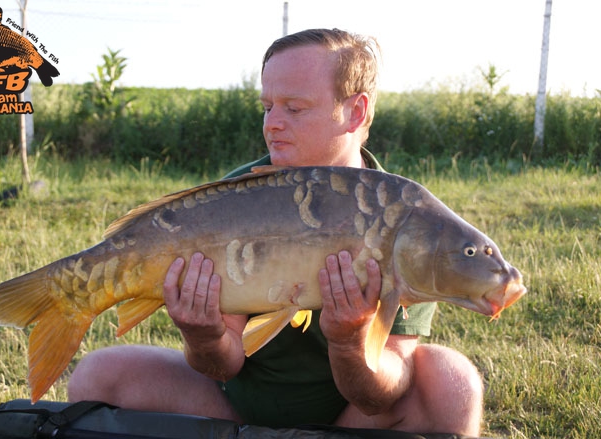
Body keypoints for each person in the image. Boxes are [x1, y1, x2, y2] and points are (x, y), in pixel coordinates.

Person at [68, 28, 484, 436]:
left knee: (453, 384)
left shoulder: (406, 218)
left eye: (294, 108)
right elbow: (223, 363)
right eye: (268, 107)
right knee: (97, 376)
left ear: (356, 111)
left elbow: (379, 395)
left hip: (351, 415)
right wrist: (205, 335)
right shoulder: (237, 197)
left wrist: (349, 342)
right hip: (232, 404)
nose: (273, 124)